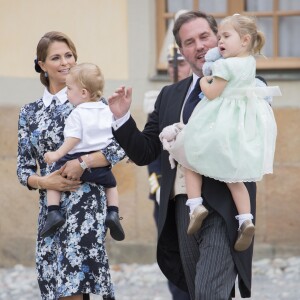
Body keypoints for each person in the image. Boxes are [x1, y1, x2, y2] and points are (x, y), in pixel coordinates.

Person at [108, 10, 269, 299]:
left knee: (209, 292)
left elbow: (255, 135)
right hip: (184, 207)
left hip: (225, 205)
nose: (200, 46)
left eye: (205, 36)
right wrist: (121, 119)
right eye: (190, 41)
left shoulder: (245, 83)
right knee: (199, 291)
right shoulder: (169, 95)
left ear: (218, 37)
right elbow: (146, 151)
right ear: (182, 51)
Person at [17, 31, 125, 300]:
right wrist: (44, 182)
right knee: (54, 288)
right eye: (56, 57)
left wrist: (82, 162)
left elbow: (118, 147)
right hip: (51, 212)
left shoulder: (93, 102)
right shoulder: (29, 113)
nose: (65, 62)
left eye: (69, 55)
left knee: (74, 289)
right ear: (42, 65)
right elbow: (23, 169)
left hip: (86, 205)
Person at [159, 14, 280, 252]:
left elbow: (213, 92)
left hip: (219, 130)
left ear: (243, 40)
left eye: (220, 36)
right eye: (189, 42)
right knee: (234, 179)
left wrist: (206, 80)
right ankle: (246, 219)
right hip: (234, 136)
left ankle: (196, 206)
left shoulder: (223, 66)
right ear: (182, 50)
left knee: (189, 156)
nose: (218, 42)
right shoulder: (249, 63)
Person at [42, 62, 125, 241]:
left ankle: (53, 212)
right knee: (111, 185)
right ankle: (113, 212)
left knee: (53, 177)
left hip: (73, 162)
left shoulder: (77, 113)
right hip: (100, 165)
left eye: (69, 89)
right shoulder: (108, 111)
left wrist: (57, 154)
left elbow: (73, 139)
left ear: (83, 93)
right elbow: (117, 137)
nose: (67, 92)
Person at [144, 44, 191, 300]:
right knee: (173, 254)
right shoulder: (161, 98)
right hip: (167, 190)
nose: (177, 68)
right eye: (173, 64)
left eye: (181, 63)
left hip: (197, 190)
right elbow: (152, 153)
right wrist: (159, 187)